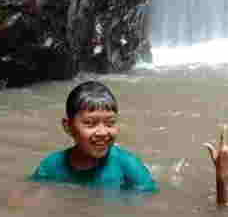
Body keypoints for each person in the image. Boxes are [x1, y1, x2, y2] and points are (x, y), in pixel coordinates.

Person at [30, 80, 159, 193]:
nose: (103, 132)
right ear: (68, 127)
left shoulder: (128, 166)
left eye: (110, 123)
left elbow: (150, 203)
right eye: (90, 123)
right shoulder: (51, 166)